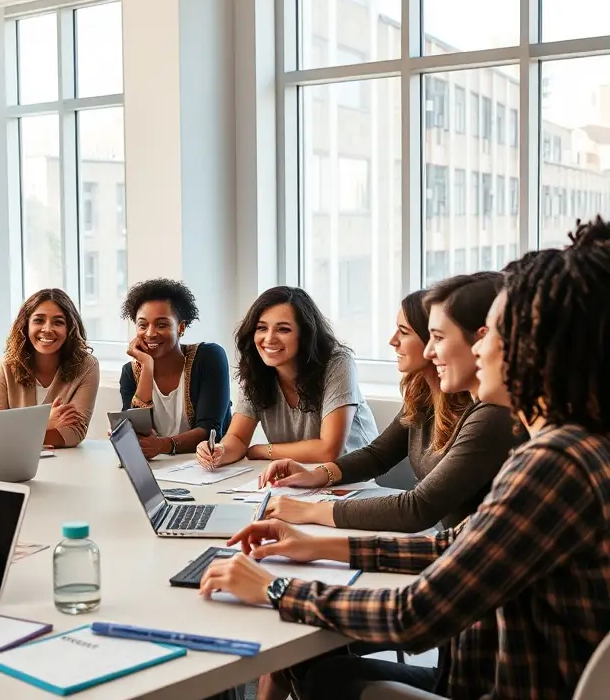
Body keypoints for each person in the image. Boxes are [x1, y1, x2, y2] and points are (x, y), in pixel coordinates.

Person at [198, 217, 610, 700]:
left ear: (536, 347)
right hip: (467, 675)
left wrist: (275, 590)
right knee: (322, 668)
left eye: (491, 333)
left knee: (323, 675)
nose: (480, 348)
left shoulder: (554, 463)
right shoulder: (577, 446)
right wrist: (313, 546)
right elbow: (454, 546)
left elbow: (414, 616)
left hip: (486, 689)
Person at [260, 277, 520, 533]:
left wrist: (309, 511)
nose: (393, 340)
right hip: (446, 539)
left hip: (458, 545)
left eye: (406, 332)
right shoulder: (423, 394)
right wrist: (318, 475)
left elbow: (417, 508)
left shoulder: (489, 413)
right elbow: (378, 455)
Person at [198, 286, 376, 469]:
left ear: (305, 334)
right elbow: (237, 438)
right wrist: (219, 451)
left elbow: (328, 450)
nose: (269, 338)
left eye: (283, 329)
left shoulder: (338, 363)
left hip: (353, 475)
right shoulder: (256, 370)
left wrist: (263, 450)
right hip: (300, 474)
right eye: (261, 328)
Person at [118, 279, 233, 459]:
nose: (150, 333)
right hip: (159, 468)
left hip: (210, 465)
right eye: (142, 325)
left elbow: (210, 429)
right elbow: (136, 434)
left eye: (161, 324)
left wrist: (162, 445)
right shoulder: (130, 372)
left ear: (181, 327)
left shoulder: (209, 357)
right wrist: (147, 367)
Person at [0, 288, 99, 449]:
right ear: (25, 325)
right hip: (13, 462)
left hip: (63, 463)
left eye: (58, 322)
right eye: (39, 320)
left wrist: (18, 435)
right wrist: (46, 422)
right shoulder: (8, 365)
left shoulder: (86, 366)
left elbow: (75, 431)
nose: (47, 329)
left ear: (70, 329)